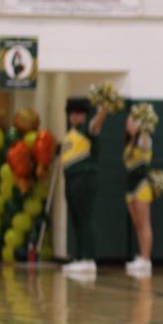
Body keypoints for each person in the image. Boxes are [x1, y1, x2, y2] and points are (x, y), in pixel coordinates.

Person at [61, 97, 108, 276]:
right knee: (76, 220)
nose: (75, 117)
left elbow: (98, 121)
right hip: (71, 179)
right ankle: (80, 257)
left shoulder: (88, 128)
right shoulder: (69, 134)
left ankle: (88, 259)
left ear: (84, 114)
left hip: (85, 178)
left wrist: (104, 107)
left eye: (79, 113)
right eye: (72, 113)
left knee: (85, 217)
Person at [123, 103, 157, 278]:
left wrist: (144, 121)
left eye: (133, 122)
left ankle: (146, 259)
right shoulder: (128, 143)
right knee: (137, 223)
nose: (129, 125)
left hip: (142, 186)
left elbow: (144, 137)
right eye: (128, 123)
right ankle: (141, 257)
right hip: (130, 186)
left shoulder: (145, 139)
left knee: (144, 223)